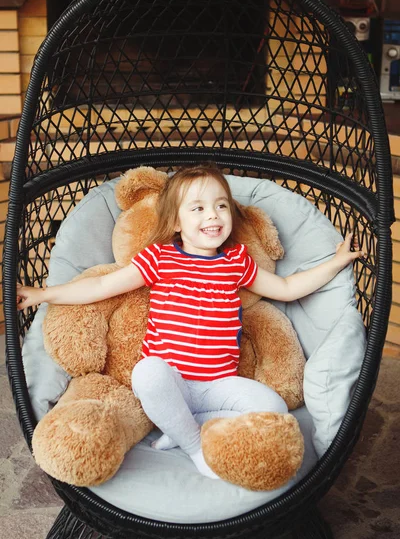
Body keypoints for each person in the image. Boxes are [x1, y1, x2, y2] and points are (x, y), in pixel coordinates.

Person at [17, 163, 364, 481]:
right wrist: (44, 294)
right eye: (197, 208)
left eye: (221, 205)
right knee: (146, 372)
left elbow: (287, 288)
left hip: (217, 386)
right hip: (170, 382)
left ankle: (184, 426)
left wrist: (333, 264)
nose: (212, 215)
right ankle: (196, 446)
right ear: (176, 222)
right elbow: (101, 285)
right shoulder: (160, 258)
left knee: (272, 405)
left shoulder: (235, 262)